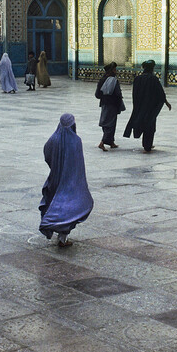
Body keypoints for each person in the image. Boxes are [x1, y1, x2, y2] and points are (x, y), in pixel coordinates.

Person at [39, 113, 94, 247]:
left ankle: (56, 230)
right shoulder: (76, 141)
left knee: (55, 203)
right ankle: (62, 237)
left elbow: (47, 152)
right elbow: (78, 163)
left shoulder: (54, 138)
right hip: (71, 180)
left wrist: (54, 165)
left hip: (55, 178)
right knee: (69, 206)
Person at [123, 60, 171, 153]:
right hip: (150, 107)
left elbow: (134, 94)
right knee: (150, 125)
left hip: (140, 106)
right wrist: (166, 102)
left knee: (141, 122)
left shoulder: (138, 79)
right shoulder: (153, 79)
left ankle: (146, 144)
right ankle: (147, 145)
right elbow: (160, 93)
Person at [94, 62, 125, 151]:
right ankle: (102, 142)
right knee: (110, 124)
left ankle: (111, 142)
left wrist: (104, 97)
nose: (116, 71)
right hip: (112, 104)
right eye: (114, 70)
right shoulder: (113, 80)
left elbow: (97, 94)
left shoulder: (102, 80)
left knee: (106, 122)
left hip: (104, 103)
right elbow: (118, 93)